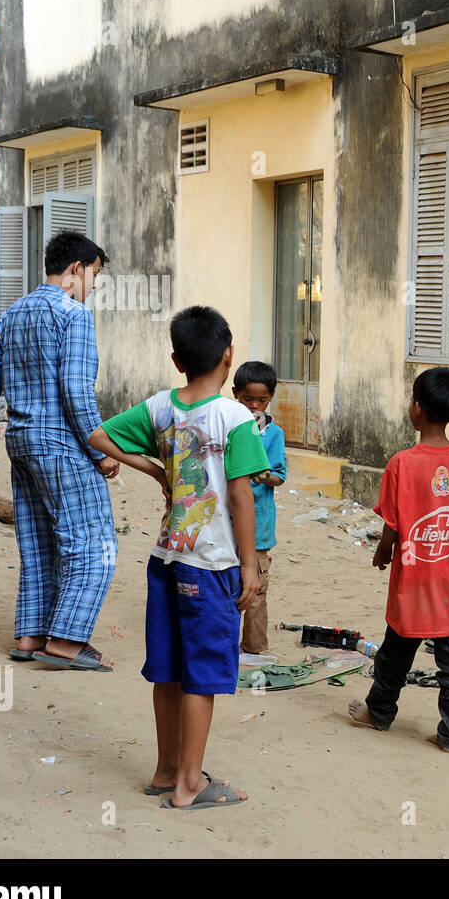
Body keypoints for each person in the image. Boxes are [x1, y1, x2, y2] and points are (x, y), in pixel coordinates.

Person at [90, 306, 269, 809]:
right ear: (228, 356)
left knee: (167, 669)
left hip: (166, 557)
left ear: (176, 359)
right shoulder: (235, 417)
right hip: (211, 563)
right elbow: (241, 497)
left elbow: (98, 436)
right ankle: (191, 782)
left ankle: (166, 768)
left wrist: (153, 470)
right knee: (204, 674)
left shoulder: (159, 408)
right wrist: (250, 565)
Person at [0, 230, 119, 671]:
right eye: (95, 276)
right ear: (77, 270)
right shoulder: (74, 316)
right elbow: (77, 392)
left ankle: (29, 636)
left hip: (21, 446)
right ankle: (66, 642)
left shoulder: (13, 314)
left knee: (39, 542)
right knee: (94, 543)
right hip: (63, 447)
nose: (93, 287)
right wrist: (102, 450)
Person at [347, 367, 449, 752]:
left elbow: (393, 521)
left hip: (414, 580)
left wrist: (383, 549)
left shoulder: (402, 464)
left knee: (396, 650)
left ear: (417, 408)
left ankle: (379, 712)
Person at [231, 361, 287, 655]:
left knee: (256, 591)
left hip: (259, 527)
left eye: (261, 401)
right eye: (247, 399)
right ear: (235, 395)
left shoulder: (273, 434)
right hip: (226, 523)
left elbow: (279, 474)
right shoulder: (228, 427)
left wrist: (266, 476)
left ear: (271, 398)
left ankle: (253, 648)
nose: (254, 406)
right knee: (227, 586)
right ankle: (223, 646)